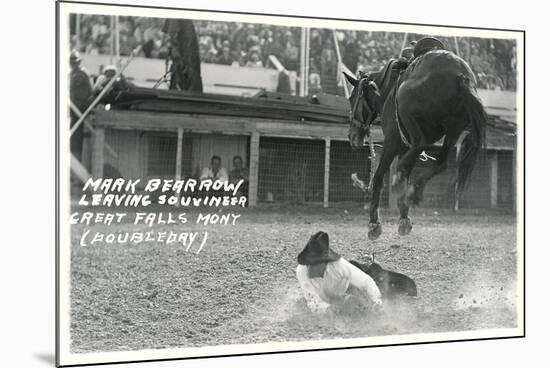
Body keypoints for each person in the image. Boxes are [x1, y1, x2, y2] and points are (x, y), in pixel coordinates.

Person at [296, 231, 382, 314]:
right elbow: (313, 302)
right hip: (326, 302)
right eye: (308, 263)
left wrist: (376, 302)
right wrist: (328, 309)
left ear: (325, 262)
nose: (309, 267)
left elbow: (366, 281)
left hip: (346, 292)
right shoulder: (302, 270)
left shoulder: (338, 265)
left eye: (314, 263)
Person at [69, 50, 92, 161]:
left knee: (78, 136)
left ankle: (78, 160)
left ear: (79, 62)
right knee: (73, 136)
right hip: (72, 109)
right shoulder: (70, 74)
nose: (74, 64)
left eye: (76, 62)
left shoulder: (83, 74)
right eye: (72, 62)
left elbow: (89, 92)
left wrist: (85, 107)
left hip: (81, 109)